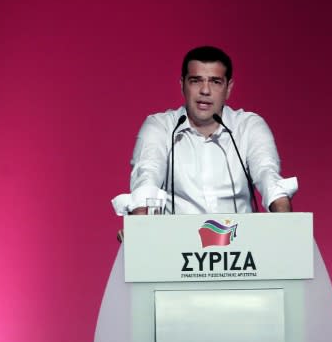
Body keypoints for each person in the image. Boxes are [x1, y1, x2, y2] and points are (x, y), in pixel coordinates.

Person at [112, 45, 297, 216]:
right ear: (182, 84)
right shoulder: (160, 126)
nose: (205, 90)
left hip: (242, 245)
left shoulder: (249, 126)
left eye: (215, 82)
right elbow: (147, 176)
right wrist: (139, 229)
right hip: (174, 246)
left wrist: (287, 226)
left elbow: (267, 174)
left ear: (228, 88)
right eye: (196, 81)